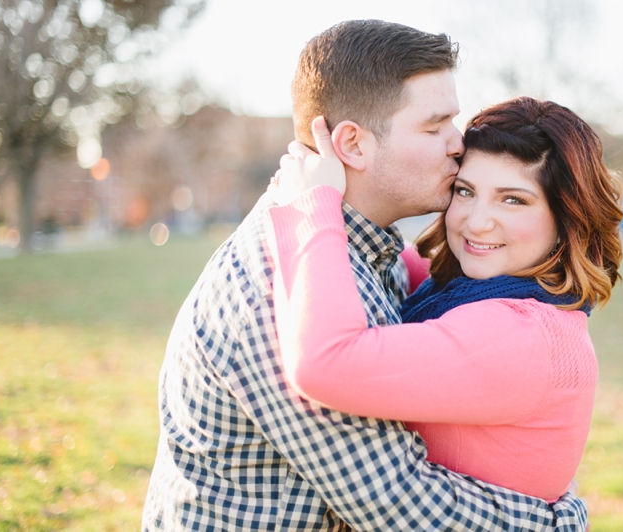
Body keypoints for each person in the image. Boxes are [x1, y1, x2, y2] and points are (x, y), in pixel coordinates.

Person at [142, 20, 589, 531]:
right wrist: (557, 520)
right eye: (435, 125)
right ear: (352, 145)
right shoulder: (285, 283)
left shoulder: (365, 252)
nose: (458, 143)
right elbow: (396, 502)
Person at [266, 97, 623, 504]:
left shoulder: (520, 336)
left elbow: (327, 363)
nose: (475, 221)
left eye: (513, 200)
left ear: (567, 220)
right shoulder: (463, 291)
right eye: (465, 191)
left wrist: (309, 207)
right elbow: (383, 256)